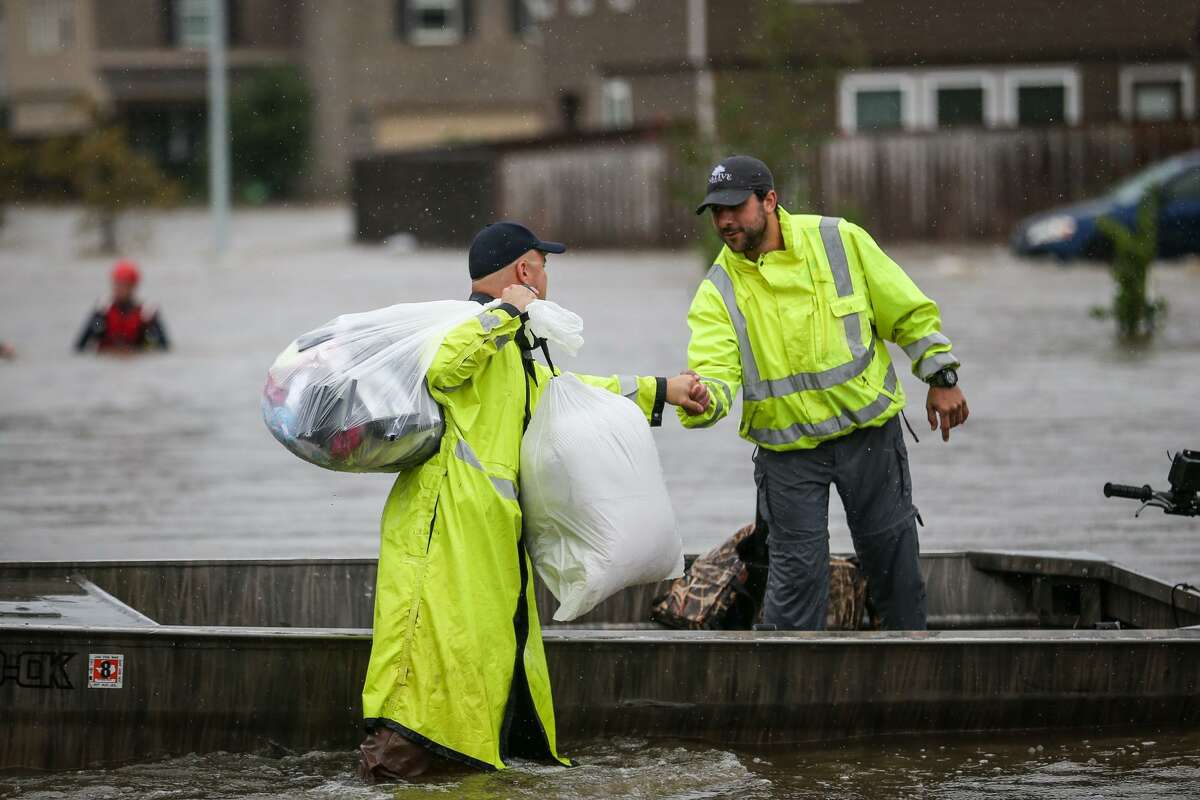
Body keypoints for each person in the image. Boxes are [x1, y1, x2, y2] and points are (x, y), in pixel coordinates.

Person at [358, 221, 706, 781]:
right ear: (525, 271)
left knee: (487, 650)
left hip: (490, 531)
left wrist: (663, 390)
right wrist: (506, 312)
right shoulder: (467, 327)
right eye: (543, 265)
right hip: (442, 529)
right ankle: (393, 771)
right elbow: (443, 368)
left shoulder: (517, 348)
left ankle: (470, 768)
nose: (547, 277)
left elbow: (574, 400)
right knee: (425, 648)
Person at [679, 155, 969, 632]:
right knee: (795, 579)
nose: (724, 221)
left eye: (735, 207)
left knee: (893, 563)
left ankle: (908, 672)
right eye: (716, 211)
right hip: (788, 454)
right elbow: (714, 369)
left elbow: (907, 311)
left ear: (769, 201)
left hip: (869, 434)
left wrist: (941, 378)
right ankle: (788, 692)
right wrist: (704, 399)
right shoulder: (717, 291)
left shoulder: (839, 240)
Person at [75, 261, 169, 353]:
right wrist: (98, 323)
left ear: (134, 286)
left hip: (135, 357)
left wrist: (149, 329)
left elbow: (163, 347)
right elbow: (82, 344)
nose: (120, 289)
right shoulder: (102, 311)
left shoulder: (146, 314)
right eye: (117, 284)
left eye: (125, 284)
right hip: (108, 357)